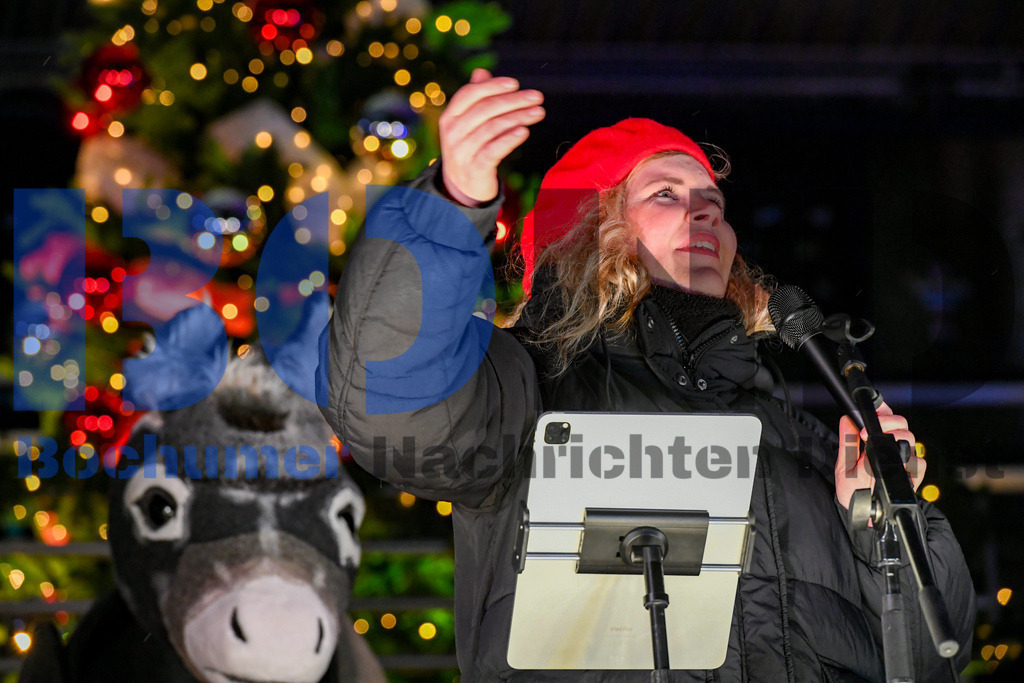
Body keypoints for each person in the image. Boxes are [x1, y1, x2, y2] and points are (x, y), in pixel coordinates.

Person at [320, 69, 976, 681]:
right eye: (666, 193)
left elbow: (931, 657)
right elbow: (387, 397)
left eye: (714, 201)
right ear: (588, 230)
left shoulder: (806, 445)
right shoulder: (525, 391)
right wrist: (450, 205)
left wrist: (882, 519)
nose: (707, 213)